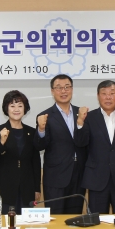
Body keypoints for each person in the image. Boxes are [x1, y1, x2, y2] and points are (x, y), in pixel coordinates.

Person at [74, 80, 115, 214]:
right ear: (98, 96)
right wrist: (80, 122)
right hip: (97, 179)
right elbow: (80, 143)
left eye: (112, 93)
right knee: (97, 220)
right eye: (104, 94)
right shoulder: (89, 117)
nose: (108, 97)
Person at [35, 74, 87, 214]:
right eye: (59, 88)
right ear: (52, 91)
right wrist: (41, 129)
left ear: (72, 89)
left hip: (78, 176)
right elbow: (39, 146)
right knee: (55, 219)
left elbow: (84, 142)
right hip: (55, 177)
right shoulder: (45, 116)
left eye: (67, 87)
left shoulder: (81, 114)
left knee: (74, 219)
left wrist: (80, 124)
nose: (63, 91)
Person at [0, 90, 41, 213]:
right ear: (6, 109)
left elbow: (35, 162)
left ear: (25, 109)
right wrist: (1, 142)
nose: (16, 109)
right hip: (5, 188)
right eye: (12, 106)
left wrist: (37, 188)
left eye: (20, 106)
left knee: (26, 223)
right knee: (6, 222)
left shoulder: (31, 132)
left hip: (27, 189)